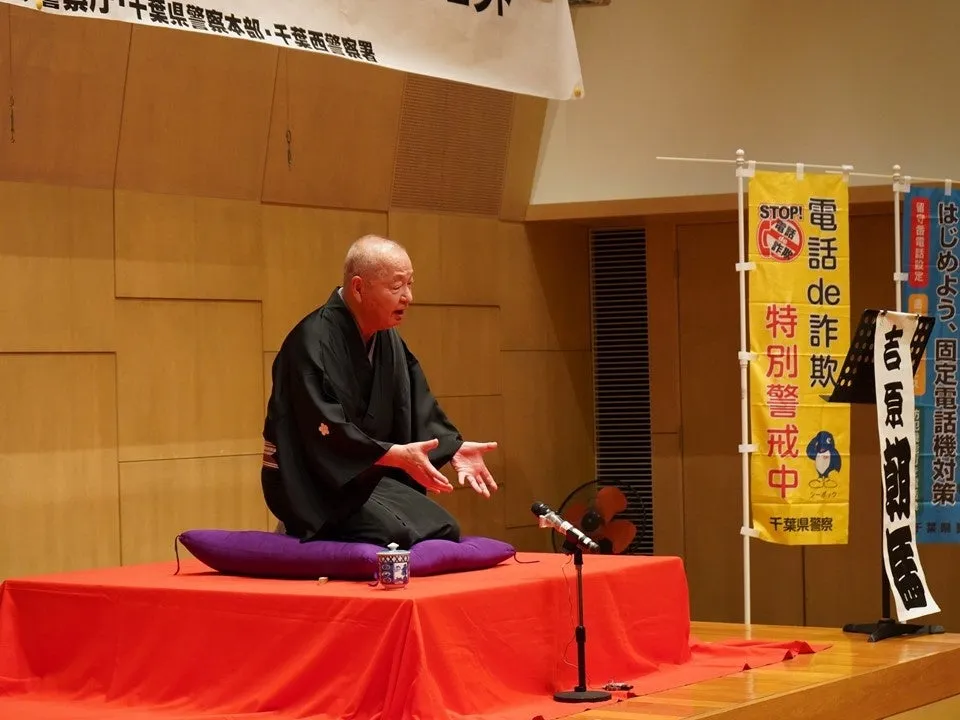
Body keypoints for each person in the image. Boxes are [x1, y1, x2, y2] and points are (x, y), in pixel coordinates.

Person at [261, 234, 498, 549]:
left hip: (369, 478)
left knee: (443, 527)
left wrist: (451, 446)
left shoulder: (389, 340)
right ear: (359, 287)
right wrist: (393, 455)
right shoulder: (310, 343)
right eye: (397, 286)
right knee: (396, 536)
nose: (408, 297)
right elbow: (322, 427)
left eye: (410, 284)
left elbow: (415, 400)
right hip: (312, 484)